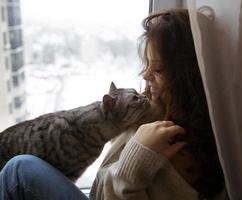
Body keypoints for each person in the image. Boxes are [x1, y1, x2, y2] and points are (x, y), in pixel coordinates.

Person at [0, 9, 225, 200]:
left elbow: (100, 193)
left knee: (18, 170)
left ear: (188, 78)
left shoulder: (180, 156)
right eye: (146, 64)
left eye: (158, 70)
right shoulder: (158, 110)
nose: (145, 76)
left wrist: (133, 165)